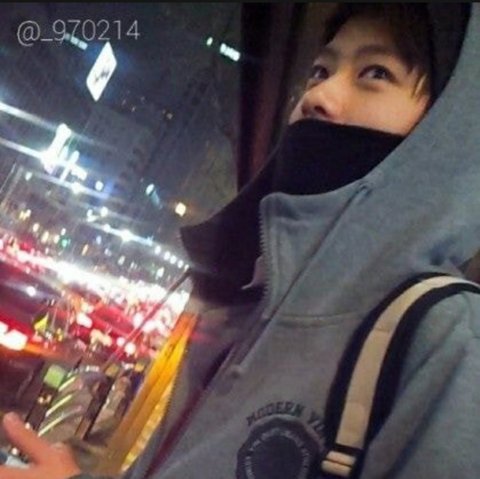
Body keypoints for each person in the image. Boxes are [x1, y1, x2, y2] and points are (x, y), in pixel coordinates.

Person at [1, 2, 479, 478]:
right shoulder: (245, 295)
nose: (320, 95)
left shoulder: (448, 339)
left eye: (375, 73)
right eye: (319, 71)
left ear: (448, 131)